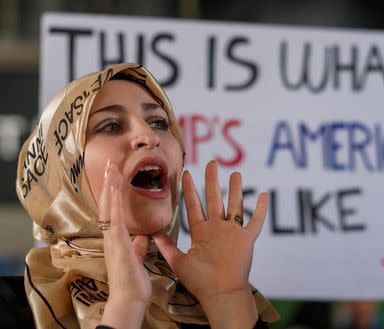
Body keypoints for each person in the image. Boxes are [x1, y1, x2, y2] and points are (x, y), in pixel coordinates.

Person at [16, 62, 279, 329]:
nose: (149, 136)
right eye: (110, 126)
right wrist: (125, 307)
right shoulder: (13, 306)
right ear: (61, 171)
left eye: (159, 122)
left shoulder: (216, 298)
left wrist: (228, 301)